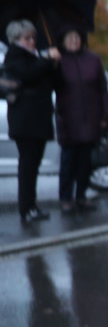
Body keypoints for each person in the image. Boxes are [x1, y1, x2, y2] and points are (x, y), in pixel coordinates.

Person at [4, 19, 60, 222]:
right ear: (16, 39)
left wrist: (53, 64)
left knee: (33, 164)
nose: (32, 41)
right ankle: (26, 207)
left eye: (33, 37)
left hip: (38, 118)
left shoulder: (34, 56)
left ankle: (31, 205)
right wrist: (46, 60)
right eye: (27, 38)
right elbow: (28, 75)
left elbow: (48, 81)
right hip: (26, 120)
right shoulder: (14, 56)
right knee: (28, 165)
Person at [54, 26, 108, 212]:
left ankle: (81, 195)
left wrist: (105, 114)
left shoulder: (93, 59)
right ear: (63, 41)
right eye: (70, 38)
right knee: (68, 161)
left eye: (77, 37)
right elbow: (51, 84)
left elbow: (103, 89)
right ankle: (66, 197)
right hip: (68, 118)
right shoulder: (58, 60)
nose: (74, 41)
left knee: (86, 161)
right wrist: (52, 63)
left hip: (91, 117)